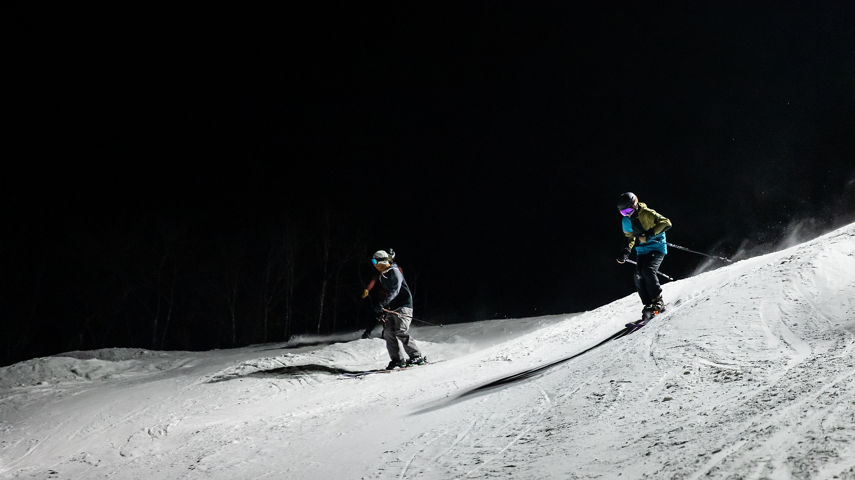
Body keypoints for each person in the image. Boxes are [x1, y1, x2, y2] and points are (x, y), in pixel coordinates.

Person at [615, 192, 672, 318]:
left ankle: (658, 301)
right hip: (642, 250)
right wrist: (625, 251)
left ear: (635, 205)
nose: (627, 214)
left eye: (629, 210)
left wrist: (649, 234)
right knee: (638, 275)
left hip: (657, 247)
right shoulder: (626, 221)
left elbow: (666, 223)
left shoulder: (647, 213)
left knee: (648, 270)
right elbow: (630, 238)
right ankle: (648, 304)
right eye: (623, 213)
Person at [367, 249, 427, 370]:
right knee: (388, 333)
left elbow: (395, 290)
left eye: (375, 261)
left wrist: (383, 303)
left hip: (404, 305)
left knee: (401, 331)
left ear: (382, 261)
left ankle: (416, 356)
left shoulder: (394, 271)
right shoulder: (382, 276)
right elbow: (388, 294)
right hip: (393, 307)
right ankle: (397, 360)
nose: (374, 264)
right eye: (372, 261)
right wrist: (383, 310)